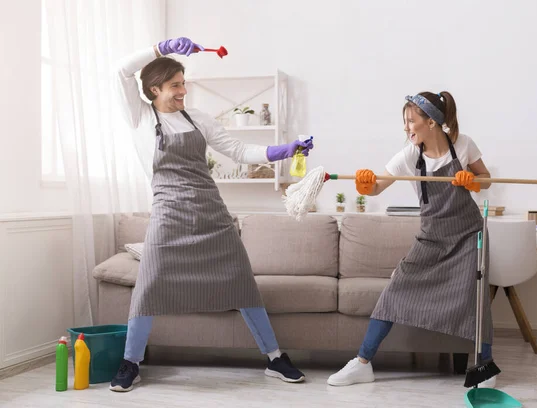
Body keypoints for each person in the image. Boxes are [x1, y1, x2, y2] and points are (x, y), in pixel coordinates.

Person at [110, 37, 313, 392]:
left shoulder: (198, 119)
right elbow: (121, 70)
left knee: (242, 283)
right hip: (167, 213)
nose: (182, 91)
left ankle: (275, 358)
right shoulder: (140, 117)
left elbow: (237, 149)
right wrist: (161, 47)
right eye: (175, 85)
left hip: (211, 213)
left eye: (183, 84)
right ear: (154, 88)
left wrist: (284, 150)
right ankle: (131, 363)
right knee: (149, 285)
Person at [327, 91, 498, 388]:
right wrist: (365, 185)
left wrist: (473, 180)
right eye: (405, 122)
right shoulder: (409, 155)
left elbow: (485, 179)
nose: (407, 128)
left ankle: (485, 368)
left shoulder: (463, 144)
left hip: (470, 236)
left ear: (431, 122)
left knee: (476, 298)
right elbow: (377, 187)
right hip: (431, 238)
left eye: (411, 121)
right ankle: (362, 363)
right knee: (393, 292)